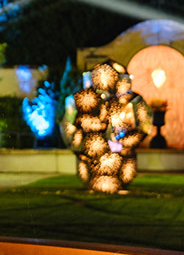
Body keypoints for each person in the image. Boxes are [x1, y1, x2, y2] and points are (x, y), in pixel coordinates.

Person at [64, 61, 149, 194]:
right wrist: (79, 145)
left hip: (121, 155)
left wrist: (124, 144)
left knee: (122, 167)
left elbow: (144, 126)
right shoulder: (78, 100)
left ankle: (119, 181)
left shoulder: (132, 101)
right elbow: (68, 127)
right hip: (90, 157)